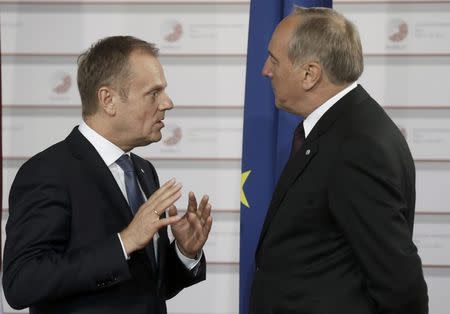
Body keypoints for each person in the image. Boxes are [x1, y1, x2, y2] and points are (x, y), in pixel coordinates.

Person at [3, 36, 212, 314]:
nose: (167, 103)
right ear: (108, 100)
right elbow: (22, 283)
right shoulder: (48, 172)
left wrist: (185, 252)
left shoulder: (143, 170)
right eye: (154, 93)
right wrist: (124, 242)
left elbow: (147, 288)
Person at [250, 7, 428, 314]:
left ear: (309, 74)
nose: (266, 70)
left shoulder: (357, 146)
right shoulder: (342, 128)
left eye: (275, 60)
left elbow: (400, 283)